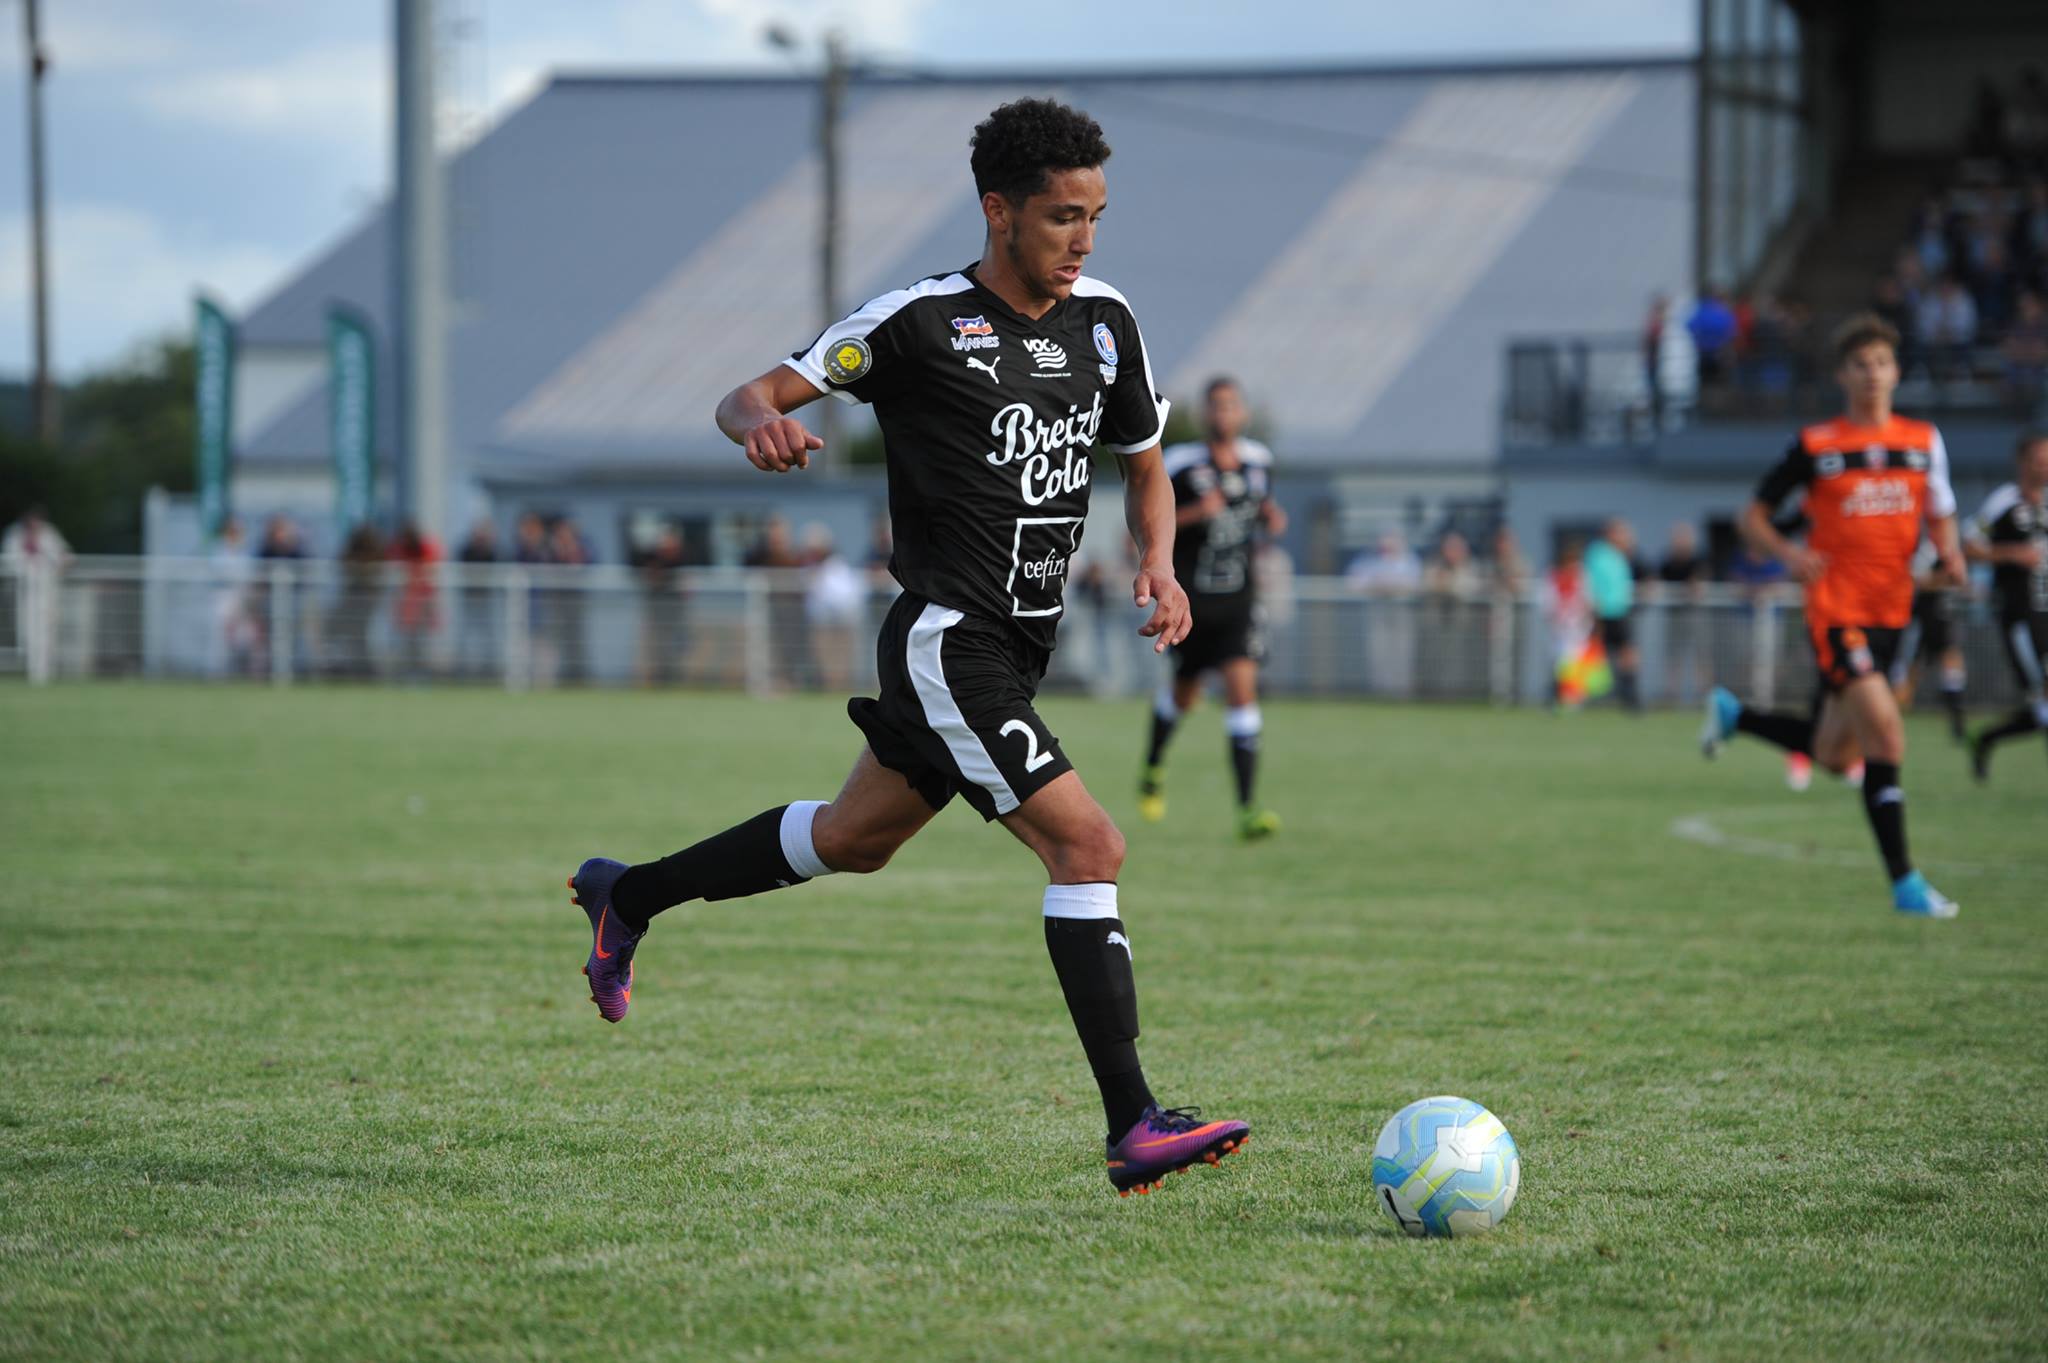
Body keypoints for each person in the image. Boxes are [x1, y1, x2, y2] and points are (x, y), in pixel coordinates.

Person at [562, 98, 1247, 1196]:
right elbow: (748, 393)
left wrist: (1158, 564)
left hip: (1016, 650)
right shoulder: (920, 320)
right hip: (947, 643)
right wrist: (764, 425)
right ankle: (1132, 1124)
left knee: (851, 838)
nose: (1083, 239)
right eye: (1062, 217)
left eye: (1095, 216)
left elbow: (1144, 464)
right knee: (1089, 847)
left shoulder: (1106, 320)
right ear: (997, 211)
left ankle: (627, 895)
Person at [1699, 314, 1966, 918]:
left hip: (1893, 608)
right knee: (1887, 733)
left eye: (1881, 363)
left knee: (1833, 753)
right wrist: (1791, 554)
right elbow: (1754, 517)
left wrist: (1948, 552)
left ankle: (1735, 715)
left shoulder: (1924, 441)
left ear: (1896, 372)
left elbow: (1941, 511)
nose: (1872, 374)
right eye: (1859, 364)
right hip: (1837, 610)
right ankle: (1906, 884)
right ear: (1842, 375)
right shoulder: (1818, 445)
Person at [1134, 376, 1283, 839]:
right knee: (1185, 696)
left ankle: (1247, 808)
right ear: (1205, 415)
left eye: (1231, 406)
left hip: (1239, 601)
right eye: (1215, 407)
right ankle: (1153, 767)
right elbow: (1149, 517)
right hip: (1192, 602)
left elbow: (1260, 507)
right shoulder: (1180, 463)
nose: (1223, 414)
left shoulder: (1259, 460)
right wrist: (1199, 512)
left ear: (1242, 413)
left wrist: (1271, 516)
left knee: (1242, 692)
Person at [1965, 430, 2048, 781]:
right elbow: (1970, 545)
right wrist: (2011, 554)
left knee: (2040, 705)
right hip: (2021, 615)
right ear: (2023, 462)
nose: (2045, 467)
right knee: (2042, 692)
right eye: (2039, 460)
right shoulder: (2003, 501)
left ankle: (1987, 738)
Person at [1889, 540, 1969, 743]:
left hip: (1946, 623)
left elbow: (1962, 580)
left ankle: (1957, 723)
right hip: (1923, 624)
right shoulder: (1927, 551)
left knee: (1952, 667)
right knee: (1909, 679)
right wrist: (1943, 580)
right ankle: (1888, 723)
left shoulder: (1954, 551)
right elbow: (1916, 580)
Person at [1583, 518, 1641, 711]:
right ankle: (1575, 695)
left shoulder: (1621, 555)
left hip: (1620, 611)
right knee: (1592, 654)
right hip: (1603, 612)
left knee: (1627, 654)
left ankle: (1629, 696)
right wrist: (1594, 608)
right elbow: (1591, 582)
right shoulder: (1597, 554)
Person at [1655, 523, 1709, 707]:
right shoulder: (1668, 562)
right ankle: (1672, 695)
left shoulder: (1698, 561)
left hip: (1694, 615)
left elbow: (1701, 581)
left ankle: (1705, 695)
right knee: (1673, 656)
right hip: (1674, 616)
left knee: (1701, 654)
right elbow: (1657, 580)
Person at [456, 518, 500, 679]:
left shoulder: (491, 550)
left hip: (486, 599)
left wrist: (488, 545)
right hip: (469, 598)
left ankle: (490, 668)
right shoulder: (467, 550)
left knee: (489, 633)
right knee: (465, 633)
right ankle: (462, 668)